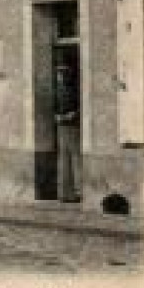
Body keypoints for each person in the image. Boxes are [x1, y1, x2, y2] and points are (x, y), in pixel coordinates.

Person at [53, 63, 83, 203]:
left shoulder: (75, 91)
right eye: (59, 75)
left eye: (63, 75)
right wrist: (57, 116)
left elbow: (79, 108)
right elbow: (52, 109)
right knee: (64, 159)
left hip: (73, 127)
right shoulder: (57, 92)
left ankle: (78, 192)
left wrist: (72, 115)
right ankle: (65, 193)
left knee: (75, 158)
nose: (61, 77)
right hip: (62, 127)